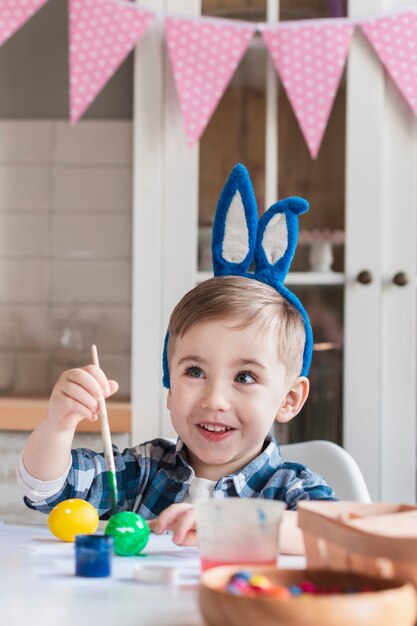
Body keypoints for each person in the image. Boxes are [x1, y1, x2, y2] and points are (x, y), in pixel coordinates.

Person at [17, 164, 337, 554]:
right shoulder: (144, 470)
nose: (214, 399)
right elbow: (46, 492)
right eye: (195, 371)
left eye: (246, 377)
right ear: (169, 384)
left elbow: (335, 535)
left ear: (289, 398)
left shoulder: (290, 488)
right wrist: (58, 422)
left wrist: (228, 522)